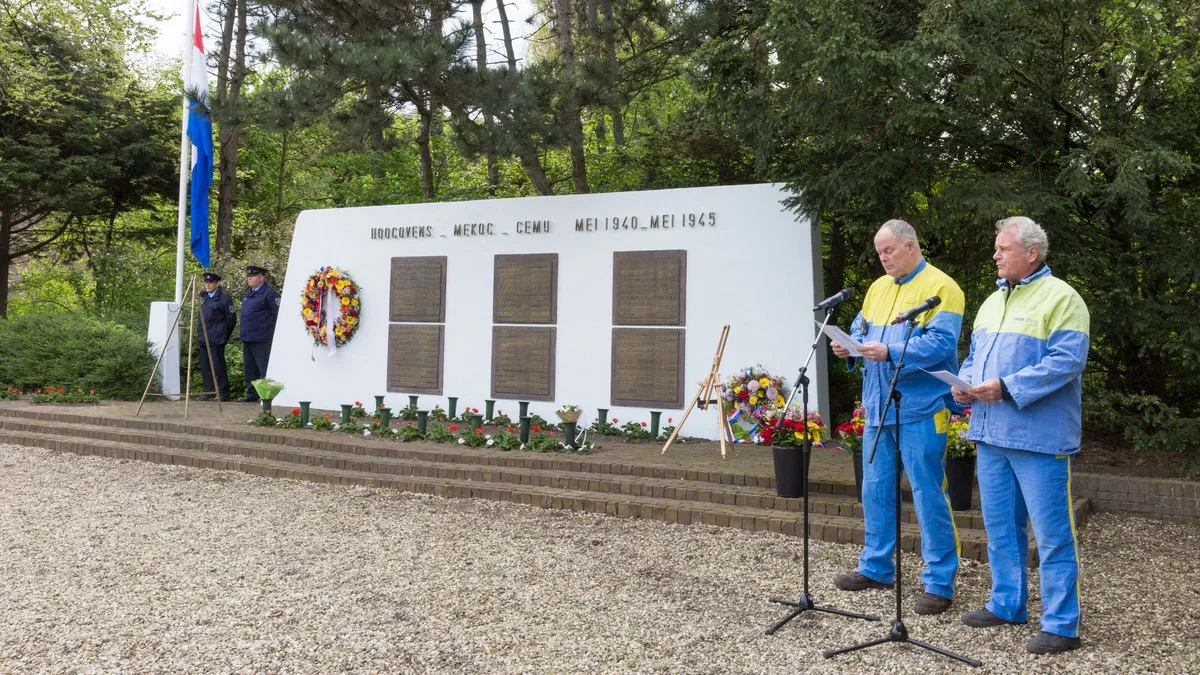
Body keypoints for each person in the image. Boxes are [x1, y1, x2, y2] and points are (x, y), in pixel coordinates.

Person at [953, 216, 1089, 655]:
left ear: (1031, 253)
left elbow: (1067, 360)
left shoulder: (1063, 298)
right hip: (992, 435)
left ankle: (1062, 624)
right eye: (996, 248)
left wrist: (1007, 387)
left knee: (1051, 535)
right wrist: (963, 381)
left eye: (1003, 248)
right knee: (1000, 528)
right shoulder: (992, 301)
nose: (995, 255)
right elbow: (975, 357)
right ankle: (1007, 603)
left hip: (1039, 439)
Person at [829, 219, 965, 616]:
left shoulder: (943, 287)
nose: (883, 258)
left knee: (927, 492)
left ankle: (940, 582)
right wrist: (849, 348)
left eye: (888, 250)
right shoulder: (876, 288)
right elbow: (860, 327)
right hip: (877, 405)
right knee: (875, 489)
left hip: (921, 406)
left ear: (910, 246)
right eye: (878, 252)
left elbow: (941, 344)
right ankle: (876, 567)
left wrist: (884, 350)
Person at [238, 265, 280, 403]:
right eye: (248, 276)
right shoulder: (248, 293)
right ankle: (252, 394)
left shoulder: (270, 294)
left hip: (262, 338)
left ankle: (266, 395)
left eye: (253, 275)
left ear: (262, 278)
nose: (249, 278)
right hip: (248, 337)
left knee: (264, 369)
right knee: (250, 369)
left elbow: (278, 315)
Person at [196, 272, 236, 401]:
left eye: (210, 283)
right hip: (204, 338)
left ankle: (223, 393)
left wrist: (223, 334)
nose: (207, 285)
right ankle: (210, 392)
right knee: (206, 366)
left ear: (216, 284)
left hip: (216, 338)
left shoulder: (224, 299)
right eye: (206, 282)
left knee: (218, 366)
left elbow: (231, 320)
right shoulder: (204, 297)